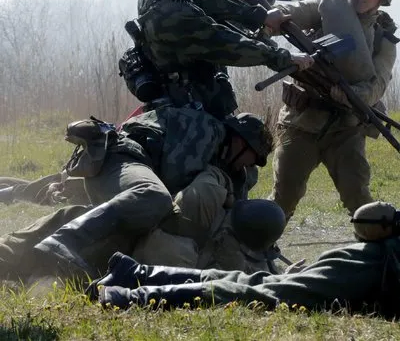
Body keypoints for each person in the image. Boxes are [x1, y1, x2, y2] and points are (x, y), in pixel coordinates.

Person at [32, 0, 313, 278]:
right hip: (174, 114)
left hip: (178, 110)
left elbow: (211, 2)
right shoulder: (171, 14)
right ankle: (60, 239)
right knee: (151, 198)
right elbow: (222, 41)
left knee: (151, 200)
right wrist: (282, 55)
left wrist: (259, 17)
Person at [91, 201, 400, 333]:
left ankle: (138, 275)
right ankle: (131, 297)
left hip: (381, 280)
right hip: (377, 268)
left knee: (264, 281)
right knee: (271, 294)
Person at [0, 113, 284, 280]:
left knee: (104, 220)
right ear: (241, 141)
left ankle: (9, 258)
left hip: (127, 171)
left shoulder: (221, 161)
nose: (247, 167)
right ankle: (65, 240)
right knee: (152, 197)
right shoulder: (206, 131)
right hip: (120, 157)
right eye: (251, 158)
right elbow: (174, 184)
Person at [266, 0, 400, 220]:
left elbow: (378, 84)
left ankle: (377, 255)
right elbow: (292, 12)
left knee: (360, 200)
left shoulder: (384, 40)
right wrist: (270, 19)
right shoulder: (329, 3)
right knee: (282, 200)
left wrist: (354, 95)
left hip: (346, 128)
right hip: (301, 122)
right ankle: (255, 254)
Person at [0, 174, 88, 206]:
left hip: (58, 187)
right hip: (58, 180)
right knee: (3, 180)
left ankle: (13, 195)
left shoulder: (96, 152)